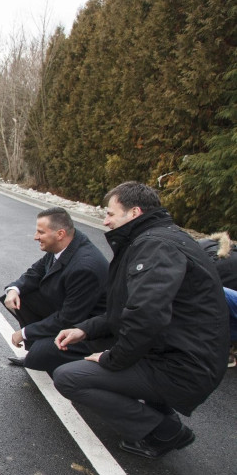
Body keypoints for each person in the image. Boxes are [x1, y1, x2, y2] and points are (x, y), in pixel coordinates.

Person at [53, 182, 229, 459]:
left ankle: (161, 432)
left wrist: (112, 359)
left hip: (183, 364)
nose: (106, 220)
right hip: (180, 352)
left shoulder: (154, 246)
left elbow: (145, 315)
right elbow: (125, 311)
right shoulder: (160, 238)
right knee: (88, 349)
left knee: (70, 378)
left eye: (111, 213)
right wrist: (84, 330)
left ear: (134, 213)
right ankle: (160, 413)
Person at [0, 207, 108, 374]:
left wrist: (25, 332)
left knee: (38, 358)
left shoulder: (85, 267)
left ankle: (90, 361)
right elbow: (36, 271)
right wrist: (14, 289)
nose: (36, 237)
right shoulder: (65, 245)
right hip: (70, 311)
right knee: (22, 294)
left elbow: (69, 318)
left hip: (90, 329)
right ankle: (41, 346)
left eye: (41, 232)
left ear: (60, 234)